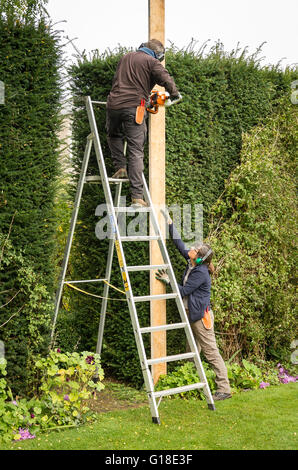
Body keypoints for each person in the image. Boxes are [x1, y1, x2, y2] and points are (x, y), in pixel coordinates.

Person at [155, 213, 232, 401]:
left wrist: (168, 280)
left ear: (199, 258)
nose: (191, 248)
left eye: (195, 250)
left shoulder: (201, 273)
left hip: (201, 318)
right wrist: (170, 224)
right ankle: (193, 382)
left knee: (211, 352)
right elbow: (179, 244)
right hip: (192, 314)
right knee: (192, 352)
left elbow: (182, 291)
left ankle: (224, 389)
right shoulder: (192, 262)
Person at [106, 39, 180, 208]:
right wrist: (174, 94)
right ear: (158, 55)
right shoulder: (152, 62)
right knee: (135, 149)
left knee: (113, 135)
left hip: (113, 106)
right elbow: (165, 77)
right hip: (134, 107)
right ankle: (137, 196)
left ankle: (120, 167)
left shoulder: (125, 57)